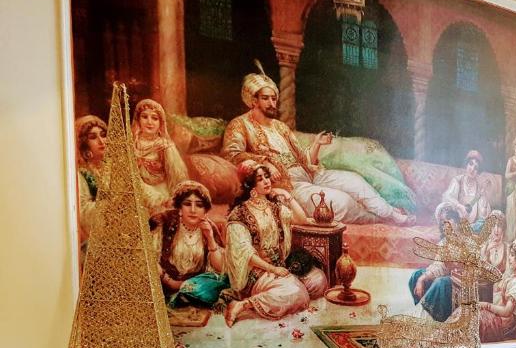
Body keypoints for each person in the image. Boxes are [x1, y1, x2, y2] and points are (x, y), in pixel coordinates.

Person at [221, 68, 411, 225]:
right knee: (341, 202)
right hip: (288, 185)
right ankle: (379, 218)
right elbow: (231, 154)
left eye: (274, 98)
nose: (272, 103)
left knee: (355, 181)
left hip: (310, 174)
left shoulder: (280, 126)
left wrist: (317, 145)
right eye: (266, 98)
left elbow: (303, 158)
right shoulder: (239, 125)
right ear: (254, 100)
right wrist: (264, 163)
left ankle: (390, 213)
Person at [223, 164, 328, 326]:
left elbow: (301, 219)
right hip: (257, 272)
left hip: (280, 265)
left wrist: (286, 194)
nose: (267, 181)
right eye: (260, 179)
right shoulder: (239, 214)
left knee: (319, 281)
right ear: (250, 185)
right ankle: (243, 304)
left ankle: (284, 290)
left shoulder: (274, 207)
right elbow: (246, 254)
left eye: (267, 176)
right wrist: (272, 269)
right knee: (298, 294)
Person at [149, 181, 228, 308]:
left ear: (205, 210)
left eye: (199, 205)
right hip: (162, 285)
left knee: (223, 282)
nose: (193, 210)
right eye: (187, 204)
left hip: (195, 287)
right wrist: (169, 282)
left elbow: (220, 269)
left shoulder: (209, 227)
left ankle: (186, 295)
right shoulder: (164, 221)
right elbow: (149, 257)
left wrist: (210, 238)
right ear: (179, 208)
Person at [132, 99, 188, 215]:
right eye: (144, 117)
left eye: (154, 118)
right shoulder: (131, 144)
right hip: (136, 194)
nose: (149, 122)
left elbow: (177, 176)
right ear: (138, 120)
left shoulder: (165, 146)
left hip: (159, 194)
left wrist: (175, 199)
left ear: (161, 123)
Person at [480, 238, 516, 342]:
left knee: (477, 321)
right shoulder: (510, 275)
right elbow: (497, 288)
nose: (509, 258)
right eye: (510, 254)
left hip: (506, 324)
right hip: (499, 315)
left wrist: (486, 305)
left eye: (512, 255)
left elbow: (506, 312)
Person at [74, 114, 107, 261]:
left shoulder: (113, 169)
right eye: (93, 137)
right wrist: (110, 205)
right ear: (83, 144)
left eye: (103, 135)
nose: (101, 141)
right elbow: (82, 213)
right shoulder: (81, 175)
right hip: (94, 244)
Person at [435, 150, 491, 230]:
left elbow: (483, 214)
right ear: (466, 164)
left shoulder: (479, 187)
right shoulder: (458, 180)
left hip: (471, 226)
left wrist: (484, 196)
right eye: (470, 164)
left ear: (478, 172)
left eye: (476, 168)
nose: (472, 169)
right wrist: (459, 206)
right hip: (456, 221)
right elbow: (447, 196)